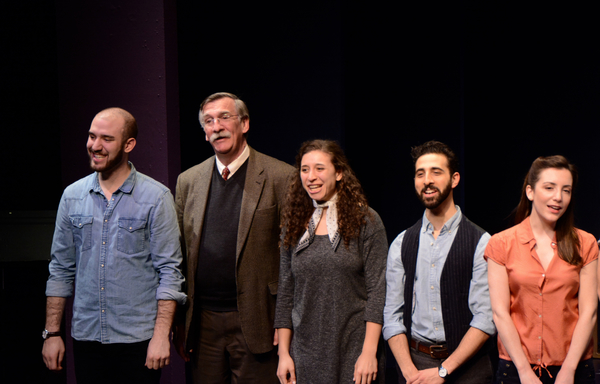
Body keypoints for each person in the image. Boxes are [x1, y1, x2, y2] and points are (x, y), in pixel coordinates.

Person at [42, 108, 186, 384]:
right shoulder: (72, 196)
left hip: (138, 341)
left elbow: (170, 272)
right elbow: (59, 270)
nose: (95, 146)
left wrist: (160, 336)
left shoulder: (156, 197)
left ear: (128, 144)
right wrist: (52, 333)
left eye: (106, 138)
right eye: (92, 136)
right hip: (86, 338)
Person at [174, 92, 295, 383]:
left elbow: (291, 258)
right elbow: (177, 255)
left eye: (224, 118)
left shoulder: (281, 176)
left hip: (258, 319)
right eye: (208, 121)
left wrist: (284, 320)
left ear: (245, 124)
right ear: (204, 133)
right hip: (203, 322)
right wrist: (181, 321)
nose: (216, 126)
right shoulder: (188, 181)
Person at [275, 139, 388, 384]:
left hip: (354, 350)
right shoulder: (294, 224)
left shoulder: (366, 220)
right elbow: (286, 292)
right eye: (305, 169)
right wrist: (284, 353)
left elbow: (378, 291)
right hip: (305, 353)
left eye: (319, 168)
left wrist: (369, 352)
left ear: (338, 173)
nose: (311, 176)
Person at [383, 140, 496, 383]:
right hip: (414, 364)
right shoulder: (402, 243)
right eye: (420, 174)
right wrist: (408, 371)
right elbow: (392, 316)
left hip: (469, 367)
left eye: (436, 172)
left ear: (455, 179)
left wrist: (444, 370)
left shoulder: (482, 242)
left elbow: (486, 318)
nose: (427, 180)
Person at [485, 155, 598, 384]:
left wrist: (569, 370)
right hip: (516, 369)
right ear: (530, 192)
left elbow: (589, 312)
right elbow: (500, 313)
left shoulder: (585, 243)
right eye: (549, 187)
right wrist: (525, 372)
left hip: (573, 367)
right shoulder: (501, 243)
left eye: (566, 190)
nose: (558, 197)